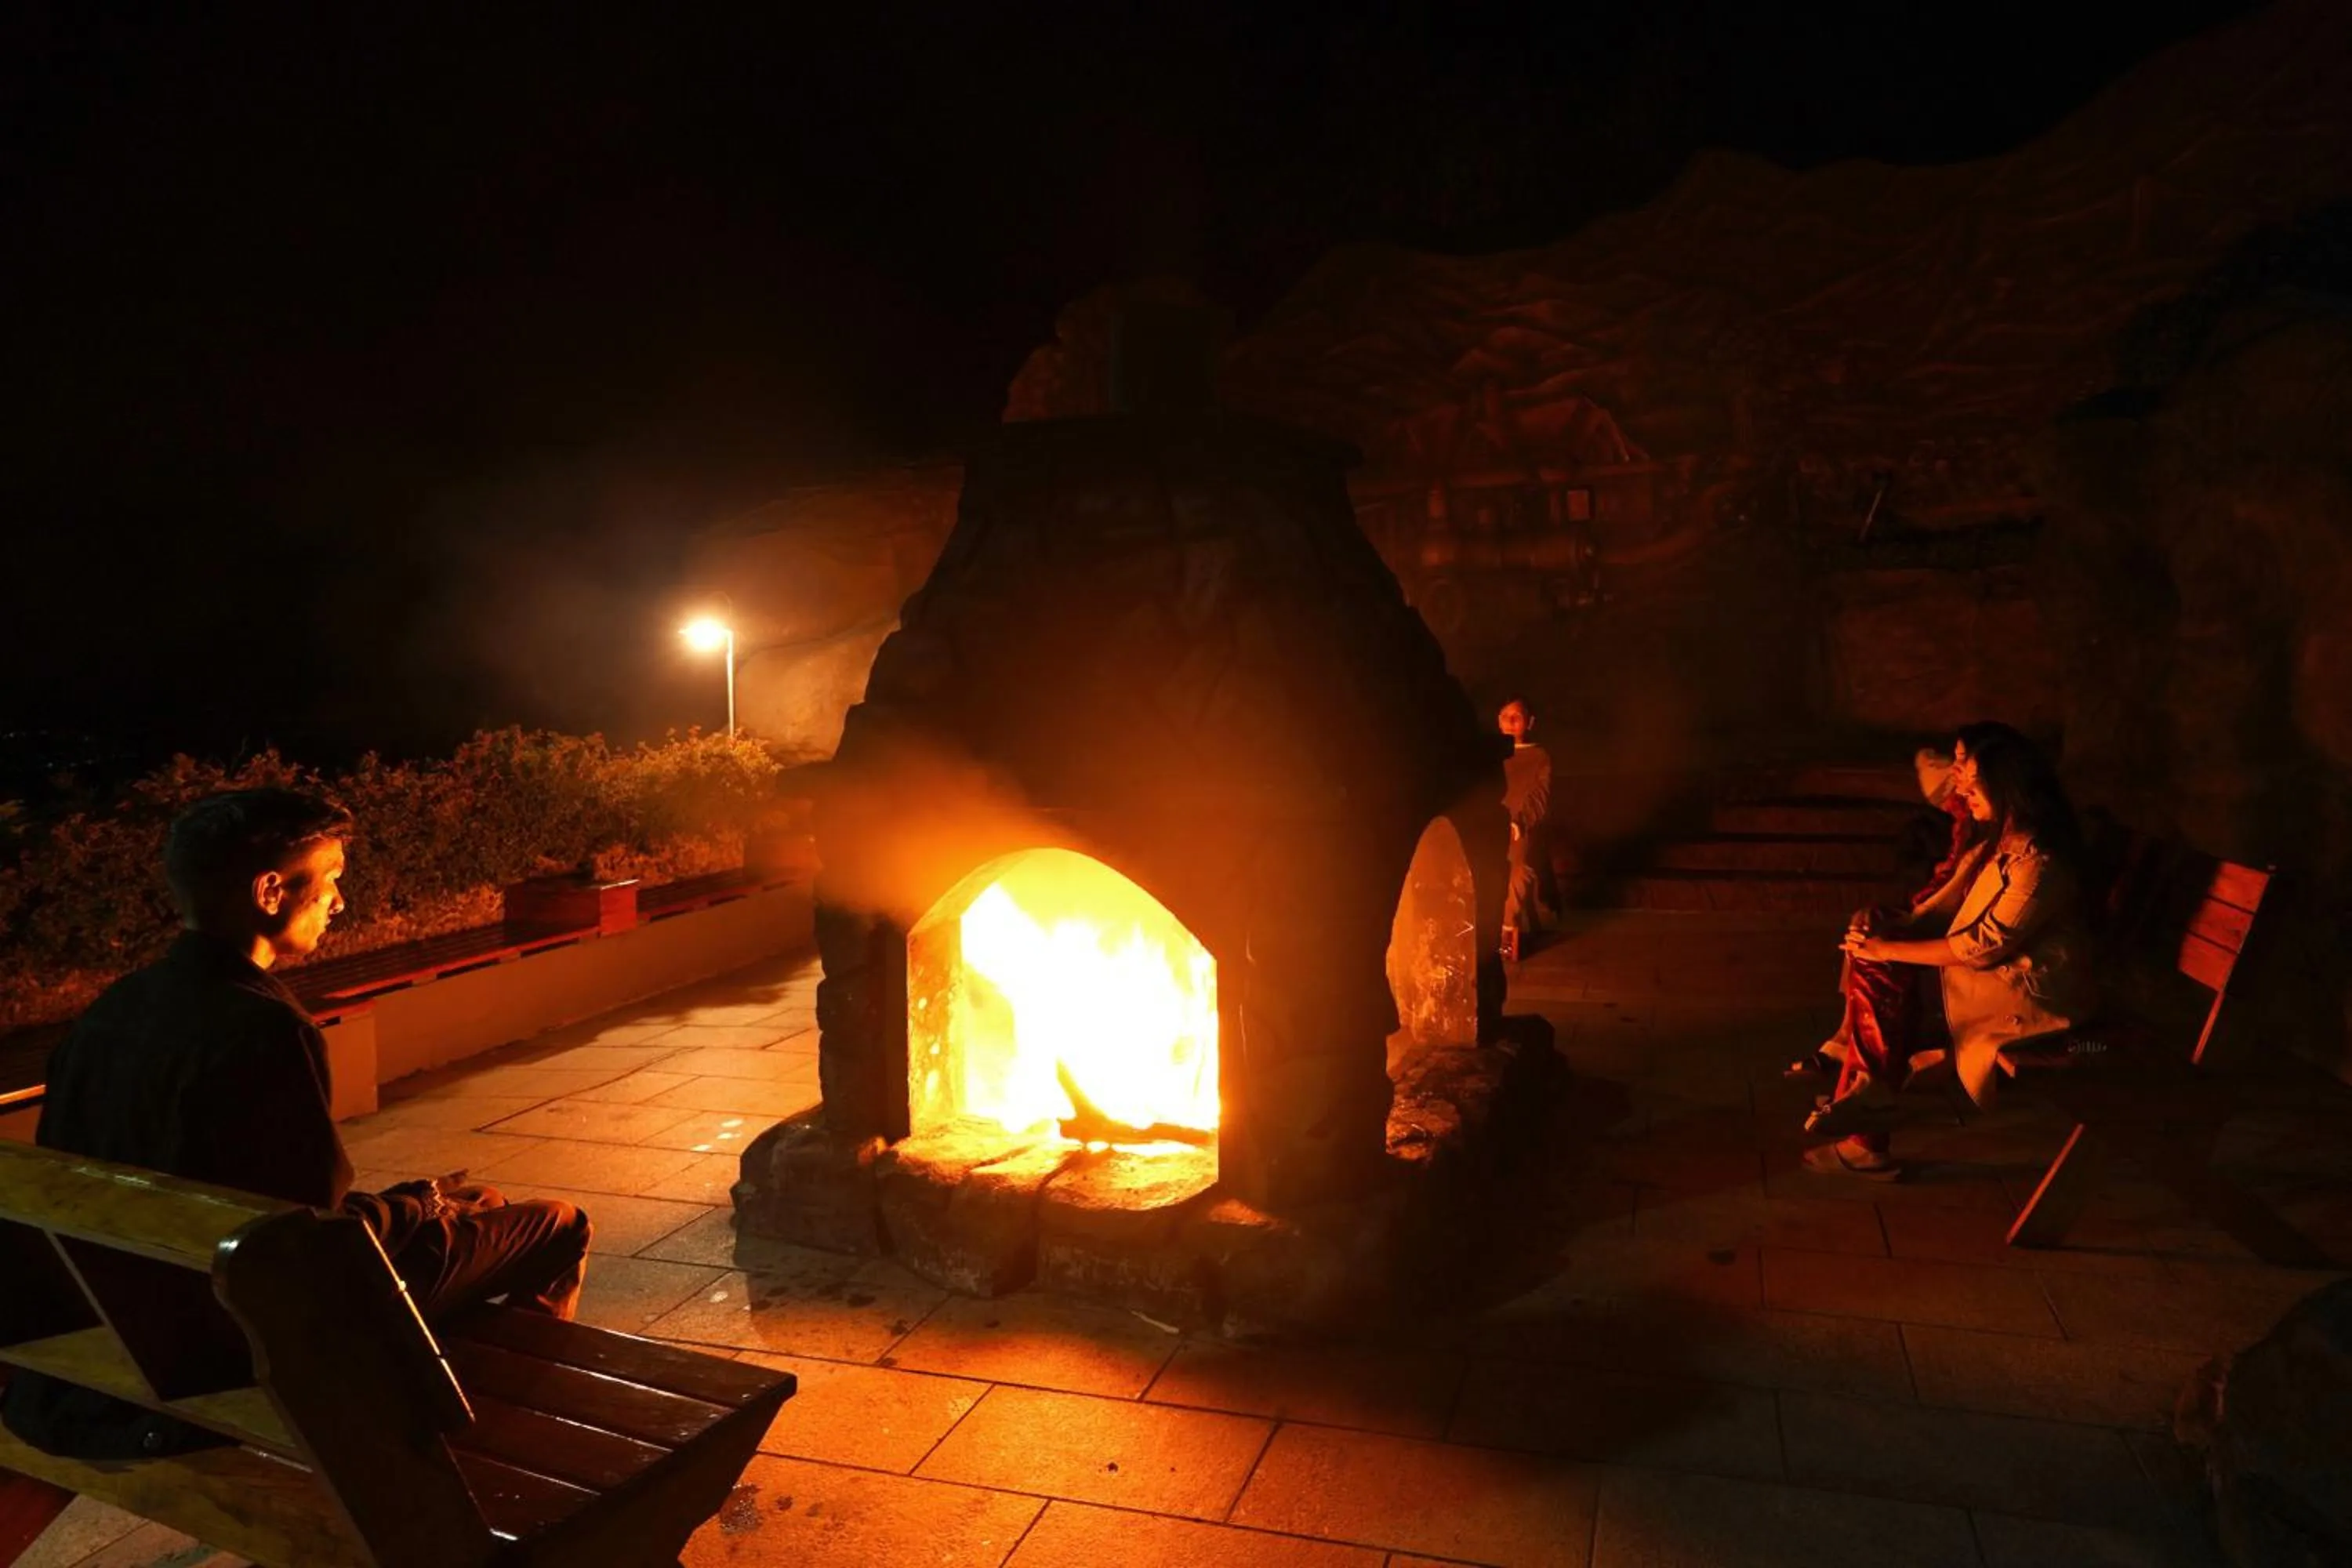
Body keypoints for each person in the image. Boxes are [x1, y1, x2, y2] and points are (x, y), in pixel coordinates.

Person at [2, 789, 592, 1458]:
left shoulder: (115, 1010)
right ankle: (502, 1448)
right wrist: (414, 1207)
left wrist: (421, 1208)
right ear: (271, 890)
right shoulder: (264, 1029)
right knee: (557, 1225)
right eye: (333, 879)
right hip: (245, 1337)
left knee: (478, 1205)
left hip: (132, 1316)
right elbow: (307, 1244)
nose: (340, 902)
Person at [1799, 726, 2100, 1180]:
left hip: (2029, 997)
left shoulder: (2039, 860)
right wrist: (1884, 926)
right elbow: (1944, 908)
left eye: (1975, 782)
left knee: (1882, 967)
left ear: (2008, 787)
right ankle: (1866, 1092)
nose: (1963, 787)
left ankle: (1867, 1107)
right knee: (1878, 951)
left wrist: (1887, 947)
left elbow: (1982, 947)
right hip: (1995, 977)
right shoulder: (2000, 840)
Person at [1497, 697, 1556, 961]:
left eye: (1517, 716)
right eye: (1505, 716)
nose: (1511, 722)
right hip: (1488, 825)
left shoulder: (1538, 757)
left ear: (1529, 722)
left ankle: (1507, 933)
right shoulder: (1491, 756)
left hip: (1518, 828)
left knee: (1517, 870)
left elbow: (1539, 796)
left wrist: (1519, 822)